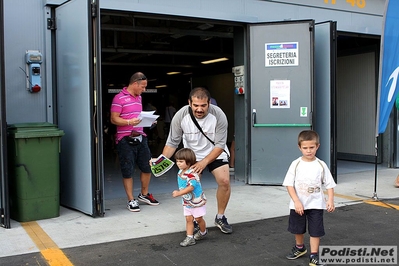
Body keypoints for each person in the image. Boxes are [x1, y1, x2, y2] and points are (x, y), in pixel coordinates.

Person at [160, 87, 233, 234]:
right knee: (191, 186)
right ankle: (194, 219)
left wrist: (205, 162)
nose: (199, 109)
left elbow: (220, 145)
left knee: (224, 181)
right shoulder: (180, 116)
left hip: (215, 153)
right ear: (189, 103)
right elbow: (172, 143)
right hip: (192, 156)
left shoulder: (219, 115)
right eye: (196, 105)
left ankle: (220, 217)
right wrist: (159, 161)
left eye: (203, 105)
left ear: (209, 104)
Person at [282, 130, 336, 266]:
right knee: (297, 228)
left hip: (316, 204)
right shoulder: (296, 164)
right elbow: (289, 184)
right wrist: (296, 201)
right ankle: (300, 247)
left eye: (312, 147)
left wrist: (330, 200)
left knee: (315, 230)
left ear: (317, 146)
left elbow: (329, 184)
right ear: (299, 147)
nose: (308, 151)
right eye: (305, 148)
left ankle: (314, 255)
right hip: (299, 204)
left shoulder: (321, 165)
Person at [110, 72, 159, 212]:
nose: (144, 90)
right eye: (143, 87)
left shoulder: (139, 98)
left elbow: (137, 117)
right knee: (128, 170)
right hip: (125, 139)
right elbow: (114, 119)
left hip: (140, 136)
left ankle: (144, 194)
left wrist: (148, 121)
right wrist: (129, 122)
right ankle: (131, 199)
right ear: (135, 83)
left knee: (147, 166)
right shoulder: (118, 98)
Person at [172, 148, 207, 247]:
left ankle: (203, 232)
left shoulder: (192, 174)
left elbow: (191, 187)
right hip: (187, 201)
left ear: (189, 161)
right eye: (177, 161)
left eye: (181, 161)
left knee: (199, 219)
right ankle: (190, 237)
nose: (178, 163)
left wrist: (179, 193)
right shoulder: (180, 172)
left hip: (196, 201)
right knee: (188, 219)